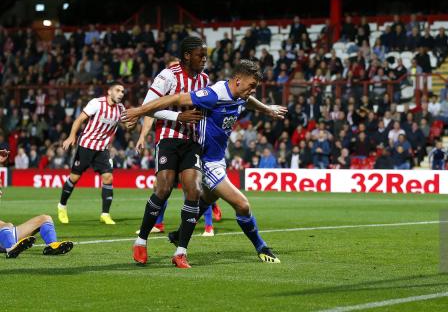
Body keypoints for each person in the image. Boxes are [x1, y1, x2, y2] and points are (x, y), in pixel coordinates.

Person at [124, 60, 287, 268]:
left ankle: (179, 234)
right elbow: (175, 98)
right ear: (237, 81)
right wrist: (139, 111)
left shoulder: (240, 94)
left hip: (219, 158)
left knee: (207, 199)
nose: (252, 90)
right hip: (206, 160)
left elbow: (249, 101)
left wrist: (267, 110)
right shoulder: (214, 94)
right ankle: (261, 247)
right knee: (242, 205)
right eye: (251, 85)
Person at [133, 41, 213, 235]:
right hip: (168, 138)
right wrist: (178, 116)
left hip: (193, 140)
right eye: (200, 55)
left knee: (194, 190)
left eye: (205, 55)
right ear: (187, 55)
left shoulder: (204, 79)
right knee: (163, 189)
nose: (204, 59)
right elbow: (148, 107)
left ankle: (181, 249)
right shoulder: (168, 75)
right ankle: (142, 239)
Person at [58, 81, 129, 225]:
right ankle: (62, 206)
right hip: (86, 145)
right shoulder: (97, 103)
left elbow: (128, 126)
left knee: (108, 178)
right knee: (74, 178)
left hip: (102, 148)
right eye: (118, 90)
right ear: (109, 92)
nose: (121, 93)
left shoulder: (121, 108)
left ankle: (105, 214)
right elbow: (79, 119)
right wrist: (72, 136)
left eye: (123, 91)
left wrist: (135, 121)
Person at [0, 149, 73, 258]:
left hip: (6, 234)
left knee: (45, 218)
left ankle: (52, 246)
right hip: (4, 234)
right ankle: (11, 248)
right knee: (5, 225)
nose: (1, 192)